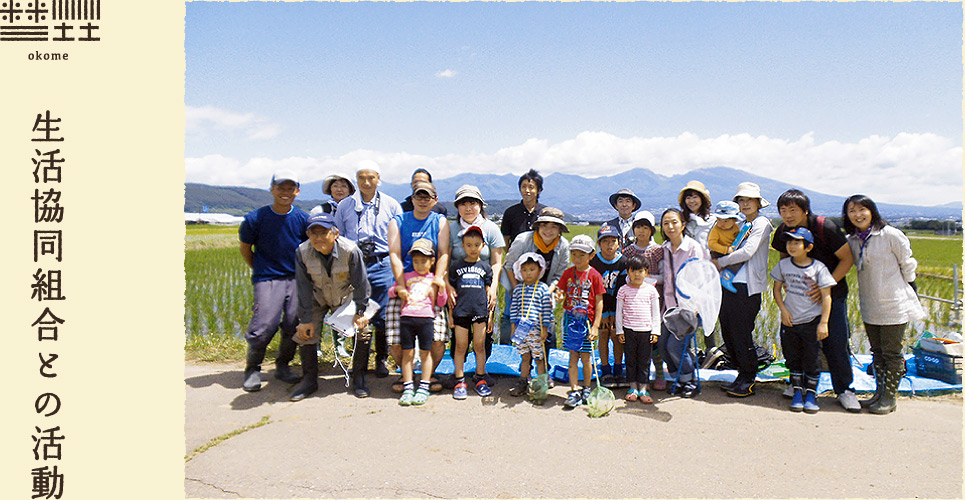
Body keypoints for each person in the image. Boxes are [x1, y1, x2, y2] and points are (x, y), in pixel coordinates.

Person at [771, 189, 859, 412]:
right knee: (796, 343)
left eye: (793, 210)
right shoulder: (783, 231)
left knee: (835, 341)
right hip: (800, 300)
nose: (788, 214)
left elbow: (847, 259)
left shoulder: (824, 227)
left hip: (831, 295)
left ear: (805, 210)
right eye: (783, 210)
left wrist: (823, 288)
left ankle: (845, 390)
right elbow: (784, 260)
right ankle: (797, 385)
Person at [843, 194, 924, 415]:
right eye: (852, 211)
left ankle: (890, 398)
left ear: (872, 211)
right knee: (877, 352)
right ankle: (878, 394)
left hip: (893, 303)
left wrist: (910, 287)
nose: (857, 215)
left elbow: (907, 263)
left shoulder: (890, 235)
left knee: (892, 352)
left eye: (862, 210)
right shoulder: (853, 239)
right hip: (870, 304)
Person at [334, 160, 403, 395]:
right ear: (357, 180)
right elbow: (339, 237)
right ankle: (358, 367)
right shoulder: (345, 206)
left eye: (370, 177)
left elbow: (399, 237)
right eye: (361, 178)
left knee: (383, 314)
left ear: (378, 179)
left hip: (383, 263)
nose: (366, 182)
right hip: (354, 265)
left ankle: (381, 359)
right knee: (358, 315)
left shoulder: (392, 205)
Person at [238, 170, 310, 392]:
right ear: (272, 189)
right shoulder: (255, 218)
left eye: (290, 188)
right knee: (264, 324)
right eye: (281, 188)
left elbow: (310, 249)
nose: (285, 192)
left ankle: (282, 365)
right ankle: (252, 368)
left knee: (293, 322)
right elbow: (245, 249)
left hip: (296, 278)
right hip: (268, 278)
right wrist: (260, 271)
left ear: (297, 191)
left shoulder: (302, 219)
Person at [291, 212, 371, 401]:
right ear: (308, 235)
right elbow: (302, 288)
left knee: (363, 329)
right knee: (305, 332)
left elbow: (361, 283)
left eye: (323, 232)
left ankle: (359, 377)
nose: (318, 238)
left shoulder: (350, 250)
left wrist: (361, 312)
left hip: (345, 296)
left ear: (335, 234)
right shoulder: (302, 252)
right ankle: (310, 380)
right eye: (313, 233)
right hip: (317, 297)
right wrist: (305, 320)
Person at [386, 181, 450, 393]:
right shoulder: (398, 221)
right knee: (396, 340)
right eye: (419, 197)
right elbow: (394, 254)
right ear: (412, 199)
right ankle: (408, 376)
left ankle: (427, 376)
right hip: (403, 281)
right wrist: (402, 287)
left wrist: (437, 280)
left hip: (430, 284)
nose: (423, 201)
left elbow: (444, 253)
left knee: (438, 339)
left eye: (427, 197)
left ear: (435, 200)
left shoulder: (439, 221)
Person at [713, 183, 774, 398]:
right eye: (741, 200)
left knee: (741, 334)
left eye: (749, 199)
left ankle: (749, 379)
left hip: (747, 288)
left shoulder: (761, 223)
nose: (745, 203)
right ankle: (741, 375)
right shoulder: (738, 224)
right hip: (728, 285)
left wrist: (720, 261)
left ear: (758, 202)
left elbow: (748, 252)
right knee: (728, 332)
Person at [770, 227, 836, 413]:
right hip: (790, 321)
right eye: (789, 242)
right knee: (793, 357)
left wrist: (823, 322)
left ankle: (811, 394)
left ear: (808, 247)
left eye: (796, 242)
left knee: (812, 359)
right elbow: (776, 290)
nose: (791, 246)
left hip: (811, 321)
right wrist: (783, 310)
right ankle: (797, 391)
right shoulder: (783, 265)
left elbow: (827, 296)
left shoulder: (818, 268)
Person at [448, 185, 505, 366]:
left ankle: (481, 372)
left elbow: (496, 262)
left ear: (481, 205)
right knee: (458, 334)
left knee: (483, 335)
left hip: (483, 289)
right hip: (459, 291)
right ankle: (459, 373)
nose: (468, 208)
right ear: (457, 207)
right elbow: (444, 259)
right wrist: (448, 287)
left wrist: (494, 288)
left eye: (472, 203)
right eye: (463, 204)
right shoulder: (451, 229)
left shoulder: (491, 229)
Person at [502, 207, 571, 356]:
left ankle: (545, 359)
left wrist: (547, 293)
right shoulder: (523, 240)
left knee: (547, 319)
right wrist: (517, 291)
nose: (548, 230)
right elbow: (508, 266)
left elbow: (559, 274)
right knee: (511, 317)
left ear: (559, 229)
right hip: (517, 283)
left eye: (554, 226)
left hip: (545, 287)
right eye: (544, 225)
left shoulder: (564, 246)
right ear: (538, 226)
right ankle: (509, 356)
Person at [389, 239, 449, 406]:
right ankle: (408, 387)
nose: (420, 265)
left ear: (432, 262)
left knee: (425, 353)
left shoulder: (433, 279)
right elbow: (391, 291)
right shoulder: (406, 277)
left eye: (424, 261)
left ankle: (424, 386)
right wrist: (398, 290)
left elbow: (441, 302)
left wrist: (442, 288)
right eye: (416, 261)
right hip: (407, 318)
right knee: (407, 353)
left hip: (426, 319)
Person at [658, 208, 710, 398]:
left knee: (675, 347)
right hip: (670, 309)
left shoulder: (693, 248)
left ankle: (690, 382)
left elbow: (703, 278)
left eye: (674, 222)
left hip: (689, 308)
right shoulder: (664, 248)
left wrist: (695, 307)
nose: (670, 226)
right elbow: (665, 278)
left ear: (683, 224)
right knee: (663, 346)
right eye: (665, 223)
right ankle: (679, 379)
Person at [556, 234, 605, 410]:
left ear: (591, 255)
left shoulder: (595, 276)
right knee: (572, 356)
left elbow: (599, 302)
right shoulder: (568, 273)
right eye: (574, 254)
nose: (577, 258)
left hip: (587, 322)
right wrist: (559, 296)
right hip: (570, 320)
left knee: (586, 357)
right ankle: (574, 389)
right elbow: (560, 293)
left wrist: (596, 325)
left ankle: (586, 387)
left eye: (582, 255)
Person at [621, 210, 668, 390]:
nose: (641, 231)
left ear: (652, 230)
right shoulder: (629, 250)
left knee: (652, 339)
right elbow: (624, 276)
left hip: (653, 301)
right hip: (633, 303)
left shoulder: (657, 251)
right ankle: (639, 379)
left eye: (645, 227)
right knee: (636, 342)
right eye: (638, 227)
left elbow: (664, 276)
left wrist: (648, 281)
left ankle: (659, 373)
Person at [499, 169, 546, 345]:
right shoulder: (511, 212)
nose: (527, 190)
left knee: (541, 311)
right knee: (510, 310)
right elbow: (506, 241)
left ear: (539, 190)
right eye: (524, 186)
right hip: (516, 270)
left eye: (531, 187)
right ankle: (505, 349)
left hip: (540, 271)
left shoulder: (545, 212)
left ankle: (540, 347)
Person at [448, 226, 495, 399]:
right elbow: (451, 294)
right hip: (461, 312)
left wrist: (489, 315)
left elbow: (488, 293)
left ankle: (480, 377)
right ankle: (460, 380)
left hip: (480, 313)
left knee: (479, 346)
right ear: (463, 245)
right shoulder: (456, 267)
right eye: (469, 245)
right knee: (460, 346)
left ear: (483, 245)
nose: (473, 248)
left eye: (476, 244)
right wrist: (450, 314)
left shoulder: (486, 268)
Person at [315, 173, 356, 357]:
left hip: (346, 262)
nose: (339, 189)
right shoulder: (320, 209)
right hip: (323, 263)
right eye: (336, 186)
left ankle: (340, 345)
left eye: (344, 186)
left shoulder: (355, 208)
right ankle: (316, 345)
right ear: (329, 190)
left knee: (344, 304)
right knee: (320, 303)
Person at [507, 253, 554, 398]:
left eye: (532, 269)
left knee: (539, 358)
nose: (528, 273)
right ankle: (523, 382)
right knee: (525, 357)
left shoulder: (543, 288)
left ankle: (541, 384)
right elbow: (513, 309)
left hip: (536, 330)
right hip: (521, 330)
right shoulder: (518, 289)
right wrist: (513, 328)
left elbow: (547, 311)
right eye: (525, 270)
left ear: (540, 271)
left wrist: (545, 329)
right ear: (519, 272)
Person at [616, 255, 661, 404]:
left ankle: (643, 388)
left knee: (644, 361)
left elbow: (656, 313)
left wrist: (655, 331)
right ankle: (633, 386)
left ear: (646, 272)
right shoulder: (623, 290)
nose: (636, 274)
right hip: (629, 331)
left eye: (640, 271)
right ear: (628, 272)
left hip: (646, 332)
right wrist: (620, 331)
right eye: (633, 271)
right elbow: (619, 312)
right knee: (630, 359)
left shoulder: (651, 291)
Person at [590, 224, 627, 387]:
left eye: (613, 241)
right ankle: (605, 369)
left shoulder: (623, 262)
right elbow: (595, 291)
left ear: (619, 243)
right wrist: (604, 314)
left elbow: (621, 290)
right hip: (600, 307)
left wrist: (615, 314)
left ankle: (618, 369)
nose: (609, 245)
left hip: (619, 307)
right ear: (599, 244)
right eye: (605, 241)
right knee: (603, 334)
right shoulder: (595, 262)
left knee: (617, 336)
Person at [708, 200, 744, 294]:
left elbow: (737, 238)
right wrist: (725, 249)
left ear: (735, 220)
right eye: (719, 220)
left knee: (740, 260)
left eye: (726, 221)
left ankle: (727, 276)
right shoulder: (716, 230)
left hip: (730, 252)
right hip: (717, 252)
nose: (721, 224)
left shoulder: (736, 228)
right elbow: (711, 244)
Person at [679, 180, 716, 248]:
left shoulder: (712, 220)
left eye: (695, 197)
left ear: (702, 199)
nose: (691, 201)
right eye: (688, 198)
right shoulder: (680, 219)